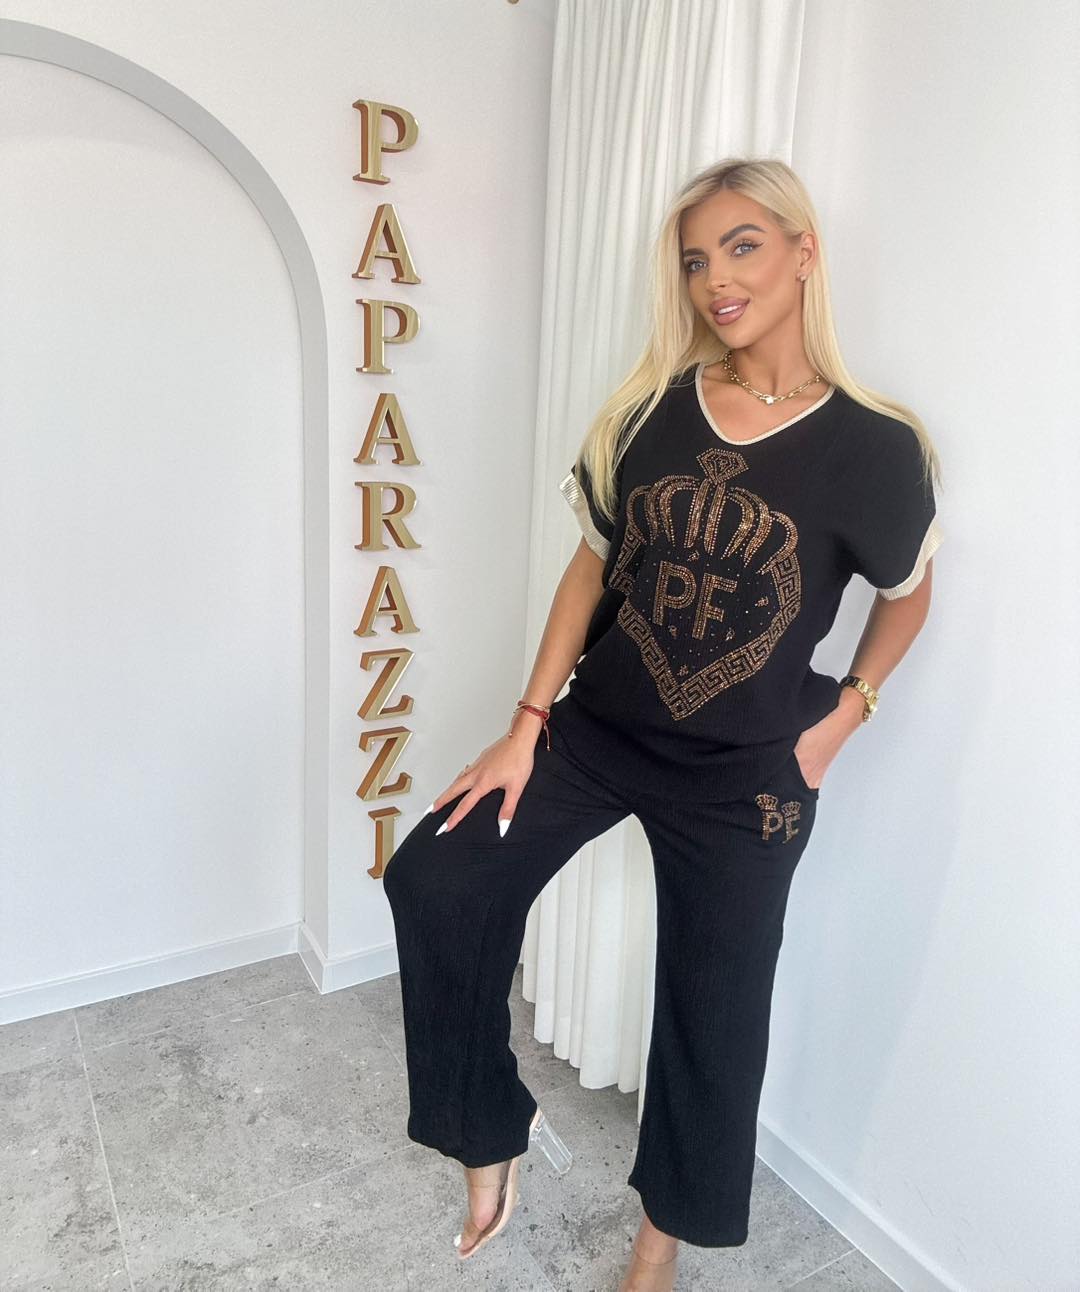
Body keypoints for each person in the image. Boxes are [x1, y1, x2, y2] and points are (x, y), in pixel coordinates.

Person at [382, 156, 944, 1292]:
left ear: (804, 252)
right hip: (601, 733)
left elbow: (910, 591)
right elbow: (592, 568)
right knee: (436, 875)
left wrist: (844, 717)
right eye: (695, 261)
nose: (715, 280)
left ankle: (656, 1251)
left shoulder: (878, 447)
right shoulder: (651, 410)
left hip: (750, 773)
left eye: (742, 246)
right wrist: (526, 724)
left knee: (714, 1015)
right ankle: (486, 1130)